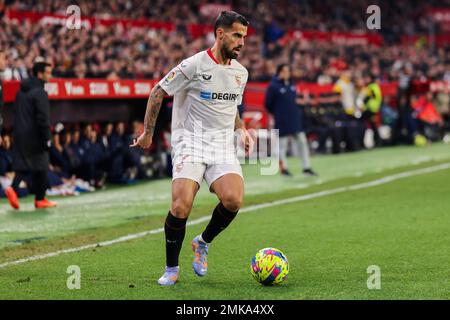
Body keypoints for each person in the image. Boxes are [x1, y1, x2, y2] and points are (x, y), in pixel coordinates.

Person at [131, 11, 253, 286]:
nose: (241, 43)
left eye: (244, 36)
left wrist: (241, 129)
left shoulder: (240, 73)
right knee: (181, 205)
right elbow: (157, 92)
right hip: (191, 143)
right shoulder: (194, 65)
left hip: (221, 146)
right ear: (219, 34)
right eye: (236, 35)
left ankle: (203, 242)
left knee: (233, 200)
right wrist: (148, 134)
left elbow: (232, 107)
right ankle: (171, 268)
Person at [5, 57, 57, 210]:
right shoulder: (40, 92)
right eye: (48, 73)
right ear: (39, 75)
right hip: (35, 136)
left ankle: (14, 189)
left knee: (24, 166)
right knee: (41, 165)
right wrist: (47, 138)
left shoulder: (21, 91)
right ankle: (39, 199)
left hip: (20, 134)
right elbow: (43, 118)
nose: (50, 76)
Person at [265, 63, 317, 177]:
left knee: (302, 142)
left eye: (288, 71)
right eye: (284, 71)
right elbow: (268, 104)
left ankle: (306, 167)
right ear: (279, 72)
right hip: (282, 120)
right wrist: (278, 114)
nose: (286, 74)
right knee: (282, 145)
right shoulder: (273, 86)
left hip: (294, 119)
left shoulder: (292, 85)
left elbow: (293, 101)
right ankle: (284, 169)